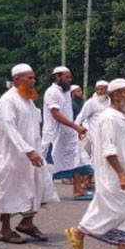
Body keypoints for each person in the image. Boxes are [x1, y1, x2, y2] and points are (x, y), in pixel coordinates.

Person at [64, 78, 125, 249]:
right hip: (114, 173)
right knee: (114, 210)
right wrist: (121, 174)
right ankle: (79, 231)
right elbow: (108, 149)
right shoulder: (108, 117)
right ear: (117, 95)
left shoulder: (120, 116)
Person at [0, 64, 60, 244]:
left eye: (33, 77)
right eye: (29, 78)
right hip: (13, 156)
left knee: (40, 187)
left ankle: (27, 223)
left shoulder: (28, 100)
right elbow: (10, 128)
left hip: (33, 154)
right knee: (9, 191)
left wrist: (34, 150)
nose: (33, 81)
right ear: (17, 79)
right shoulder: (8, 100)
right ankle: (5, 230)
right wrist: (27, 150)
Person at [42, 66, 91, 200]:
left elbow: (68, 113)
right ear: (57, 77)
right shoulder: (52, 92)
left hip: (69, 135)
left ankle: (78, 190)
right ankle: (40, 192)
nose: (69, 80)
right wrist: (76, 127)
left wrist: (75, 129)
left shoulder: (66, 92)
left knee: (78, 160)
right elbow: (56, 115)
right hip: (55, 136)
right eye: (66, 77)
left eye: (70, 77)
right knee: (48, 165)